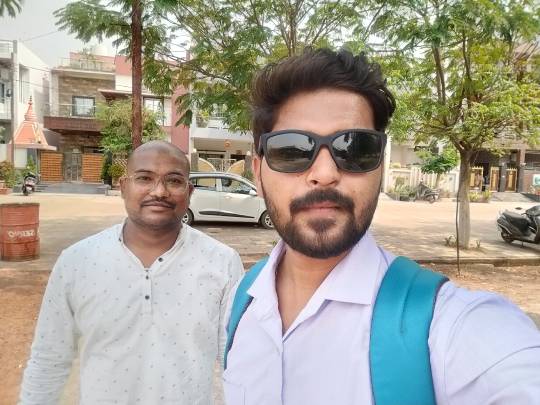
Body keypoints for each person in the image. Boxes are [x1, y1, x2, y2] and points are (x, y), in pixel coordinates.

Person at [222, 49, 540, 404]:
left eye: (355, 148)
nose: (325, 174)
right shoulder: (244, 299)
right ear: (258, 173)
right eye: (292, 150)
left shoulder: (449, 324)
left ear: (380, 168)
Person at [20, 141, 243, 404]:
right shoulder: (77, 262)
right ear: (123, 187)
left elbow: (237, 363)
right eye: (144, 178)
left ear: (189, 191)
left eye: (174, 181)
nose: (159, 191)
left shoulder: (222, 263)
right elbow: (49, 359)